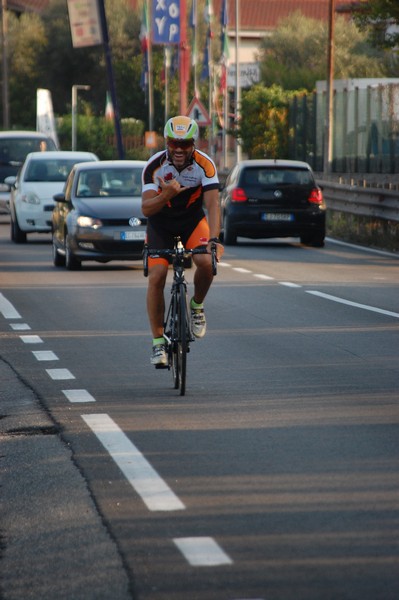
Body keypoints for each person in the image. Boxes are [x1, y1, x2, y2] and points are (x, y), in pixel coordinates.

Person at [141, 115, 224, 367]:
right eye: (173, 143)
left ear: (193, 144)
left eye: (184, 144)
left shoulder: (205, 165)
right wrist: (165, 194)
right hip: (160, 224)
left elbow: (212, 205)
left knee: (206, 262)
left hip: (191, 222)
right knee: (156, 276)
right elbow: (146, 209)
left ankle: (196, 305)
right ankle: (158, 343)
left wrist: (214, 239)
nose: (178, 149)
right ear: (166, 142)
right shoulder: (154, 167)